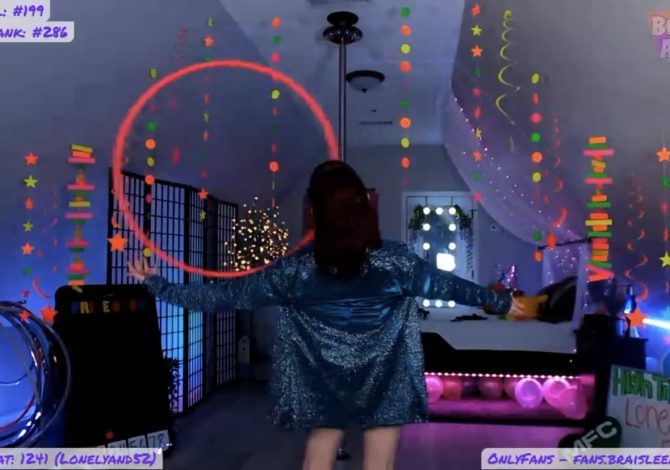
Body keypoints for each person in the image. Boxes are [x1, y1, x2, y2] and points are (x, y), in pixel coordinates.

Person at [129, 161, 537, 470]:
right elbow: (447, 285)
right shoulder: (395, 262)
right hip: (384, 381)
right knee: (379, 462)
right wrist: (502, 302)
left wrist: (158, 284)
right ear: (364, 206)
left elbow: (225, 295)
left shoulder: (294, 271)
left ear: (314, 212)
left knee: (319, 451)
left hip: (323, 382)